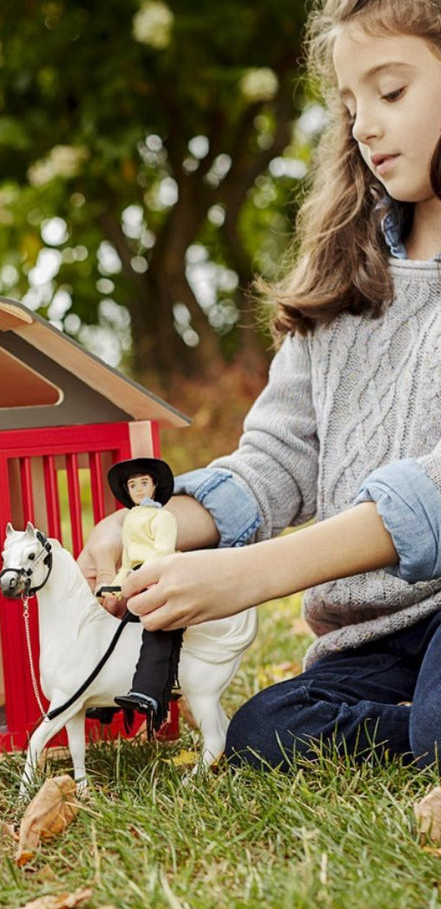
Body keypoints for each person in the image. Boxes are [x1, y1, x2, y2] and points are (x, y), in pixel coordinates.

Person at [78, 0, 441, 770]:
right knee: (262, 736)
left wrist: (248, 576)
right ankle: (420, 729)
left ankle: (425, 729)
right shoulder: (346, 275)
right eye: (350, 106)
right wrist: (160, 525)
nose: (366, 127)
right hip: (376, 633)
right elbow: (278, 458)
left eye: (392, 92)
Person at [99, 458, 183, 730]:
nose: (137, 489)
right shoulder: (131, 518)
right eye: (132, 485)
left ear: (155, 486)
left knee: (155, 631)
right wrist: (114, 584)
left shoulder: (163, 517)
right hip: (135, 579)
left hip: (157, 577)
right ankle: (104, 698)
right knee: (117, 633)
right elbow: (126, 561)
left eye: (143, 483)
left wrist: (140, 577)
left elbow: (162, 550)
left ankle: (148, 693)